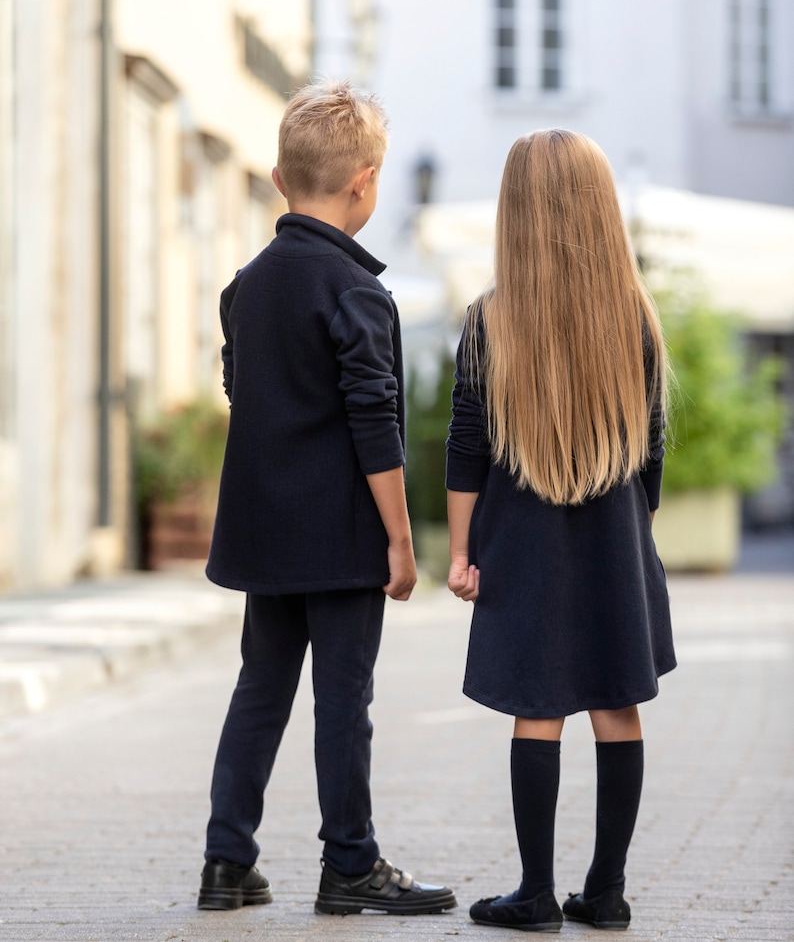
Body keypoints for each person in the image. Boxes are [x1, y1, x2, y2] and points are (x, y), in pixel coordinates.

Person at [198, 81, 456, 918]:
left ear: (278, 179)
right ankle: (350, 861)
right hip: (342, 534)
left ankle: (226, 861)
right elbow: (374, 422)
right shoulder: (355, 290)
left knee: (260, 690)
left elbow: (246, 394)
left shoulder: (246, 287)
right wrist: (402, 539)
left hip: (264, 532)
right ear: (366, 182)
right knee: (344, 699)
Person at [446, 129, 676, 933]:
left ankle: (536, 893)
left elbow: (465, 450)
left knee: (537, 705)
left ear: (515, 213)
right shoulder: (635, 320)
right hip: (615, 541)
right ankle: (606, 892)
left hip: (524, 547)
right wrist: (632, 538)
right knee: (618, 705)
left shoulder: (489, 321)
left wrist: (461, 553)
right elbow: (651, 454)